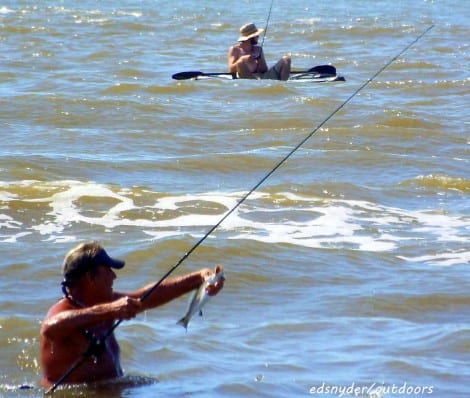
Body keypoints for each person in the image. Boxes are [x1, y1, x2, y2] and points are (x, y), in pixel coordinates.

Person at [39, 241, 224, 388]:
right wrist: (108, 310)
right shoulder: (63, 310)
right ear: (91, 278)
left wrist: (198, 278)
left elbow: (147, 296)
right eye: (108, 271)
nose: (114, 276)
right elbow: (50, 327)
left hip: (113, 388)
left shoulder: (104, 301)